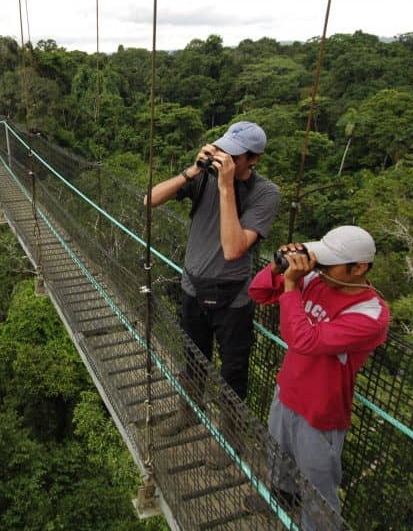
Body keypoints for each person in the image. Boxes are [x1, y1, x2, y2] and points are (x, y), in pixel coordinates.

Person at [144, 121, 280, 447]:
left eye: (233, 155)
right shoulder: (204, 178)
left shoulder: (265, 193)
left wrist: (226, 187)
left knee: (232, 375)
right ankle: (188, 412)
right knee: (192, 359)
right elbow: (150, 199)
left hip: (232, 299)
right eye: (222, 150)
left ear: (253, 160)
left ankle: (231, 441)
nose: (224, 159)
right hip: (192, 288)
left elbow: (233, 249)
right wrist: (193, 170)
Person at [246, 225, 390, 527]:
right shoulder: (315, 279)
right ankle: (281, 496)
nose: (319, 268)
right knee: (277, 454)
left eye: (328, 263)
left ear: (359, 267)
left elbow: (304, 340)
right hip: (287, 390)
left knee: (318, 485)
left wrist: (290, 287)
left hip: (321, 411)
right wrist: (277, 267)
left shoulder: (371, 314)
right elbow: (258, 292)